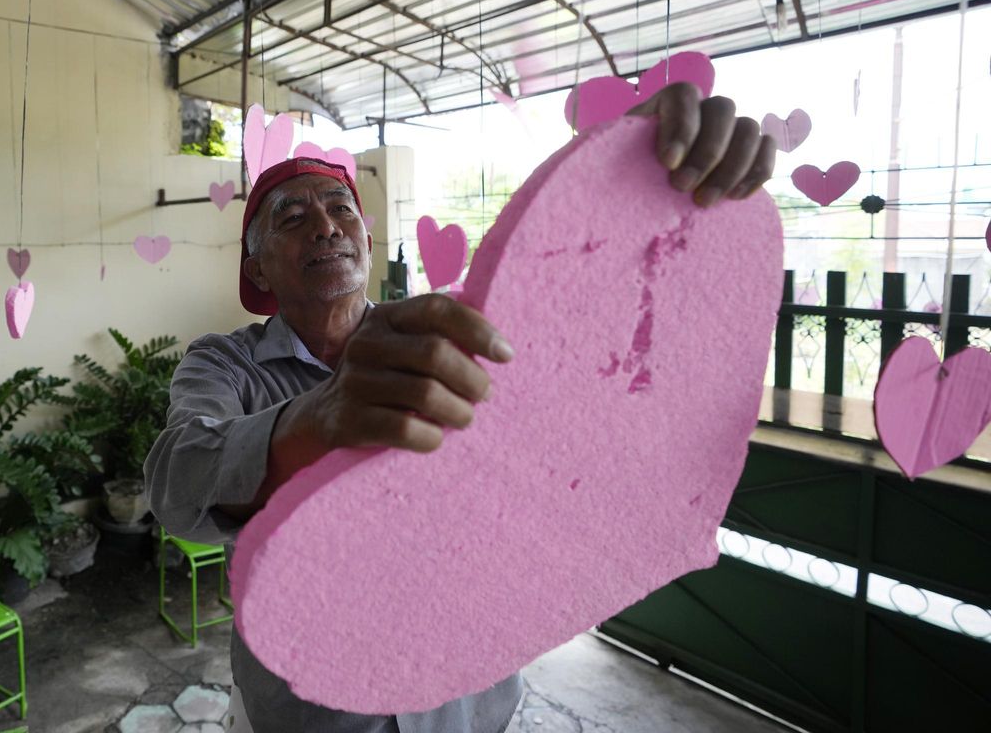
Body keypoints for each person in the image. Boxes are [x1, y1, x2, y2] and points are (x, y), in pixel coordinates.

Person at [144, 83, 776, 733]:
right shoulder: (223, 363)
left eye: (341, 209)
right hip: (309, 709)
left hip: (468, 703)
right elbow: (174, 483)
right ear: (259, 267)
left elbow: (581, 340)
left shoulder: (445, 333)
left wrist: (635, 173)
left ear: (365, 239)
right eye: (294, 217)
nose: (328, 225)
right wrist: (317, 421)